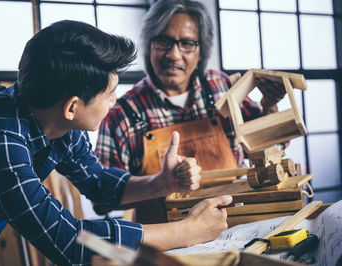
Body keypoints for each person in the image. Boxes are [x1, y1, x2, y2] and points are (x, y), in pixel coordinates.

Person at [0, 20, 232, 265]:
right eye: (109, 93)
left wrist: (161, 183)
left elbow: (99, 185)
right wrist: (188, 231)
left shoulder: (57, 118)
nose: (114, 101)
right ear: (72, 107)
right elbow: (69, 242)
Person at [95, 0, 286, 223]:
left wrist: (269, 104)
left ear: (201, 51)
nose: (174, 55)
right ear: (149, 45)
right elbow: (102, 197)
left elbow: (272, 148)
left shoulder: (221, 87)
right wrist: (160, 184)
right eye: (163, 41)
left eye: (186, 43)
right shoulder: (122, 113)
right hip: (167, 246)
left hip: (237, 225)